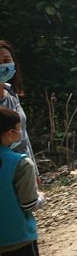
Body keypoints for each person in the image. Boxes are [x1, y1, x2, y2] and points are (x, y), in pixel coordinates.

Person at [0, 108, 45, 256]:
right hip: (18, 240)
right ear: (9, 134)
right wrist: (41, 199)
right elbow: (28, 203)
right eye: (18, 130)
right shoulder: (19, 163)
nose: (20, 134)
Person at [0, 40, 37, 178]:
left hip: (24, 168)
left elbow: (24, 136)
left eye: (6, 60)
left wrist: (34, 170)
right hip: (5, 173)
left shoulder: (11, 93)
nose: (2, 66)